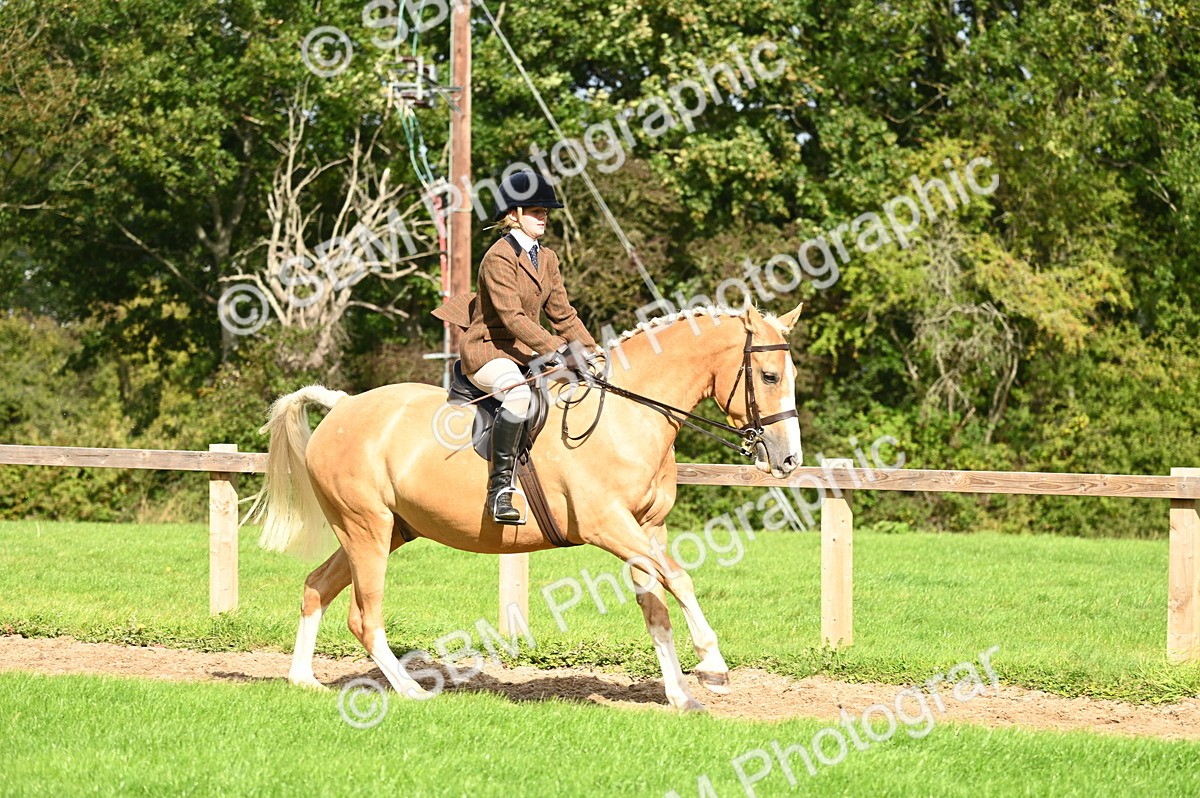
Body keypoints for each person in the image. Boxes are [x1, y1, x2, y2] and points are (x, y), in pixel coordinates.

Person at [458, 169, 599, 524]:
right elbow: (513, 318)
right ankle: (500, 491)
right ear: (513, 214)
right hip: (490, 351)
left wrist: (592, 351)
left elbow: (563, 314)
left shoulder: (547, 257)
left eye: (545, 211)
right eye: (535, 210)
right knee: (518, 396)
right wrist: (557, 350)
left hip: (527, 353)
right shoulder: (498, 257)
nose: (543, 216)